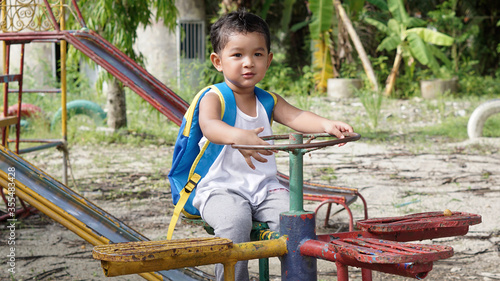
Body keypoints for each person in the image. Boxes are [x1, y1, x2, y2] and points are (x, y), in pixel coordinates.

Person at [192, 10, 354, 281]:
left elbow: (297, 117)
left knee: (297, 220)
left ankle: (298, 276)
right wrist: (238, 135)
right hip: (221, 189)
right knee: (235, 223)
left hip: (265, 189)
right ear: (218, 61)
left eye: (257, 54)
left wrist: (327, 124)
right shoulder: (215, 97)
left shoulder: (268, 100)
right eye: (237, 55)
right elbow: (210, 126)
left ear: (268, 60)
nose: (248, 63)